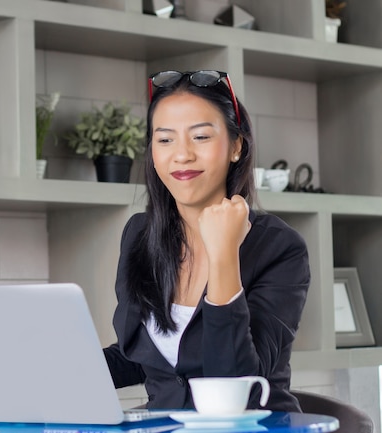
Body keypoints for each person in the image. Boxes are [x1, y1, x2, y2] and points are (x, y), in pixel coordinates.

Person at [103, 70, 310, 412]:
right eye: (165, 139)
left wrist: (224, 253)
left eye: (200, 137)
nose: (181, 155)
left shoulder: (280, 248)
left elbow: (233, 384)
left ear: (236, 147)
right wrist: (53, 370)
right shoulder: (140, 234)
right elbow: (142, 356)